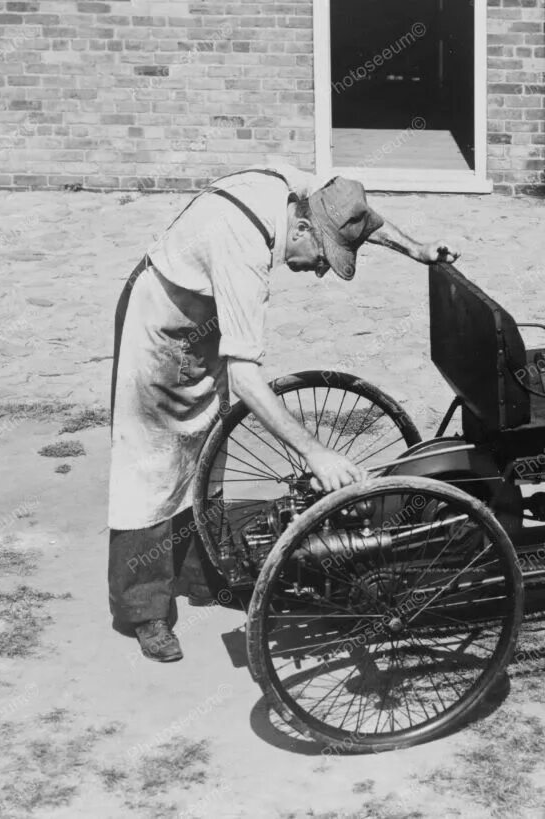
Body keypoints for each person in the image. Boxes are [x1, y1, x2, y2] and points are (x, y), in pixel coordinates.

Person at [108, 163, 459, 662]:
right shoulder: (244, 253)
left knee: (206, 449)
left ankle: (197, 575)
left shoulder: (294, 189)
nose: (319, 271)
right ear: (300, 228)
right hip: (160, 320)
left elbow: (359, 214)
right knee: (150, 465)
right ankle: (143, 610)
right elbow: (246, 378)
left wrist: (416, 249)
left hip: (202, 321)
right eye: (322, 257)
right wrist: (315, 452)